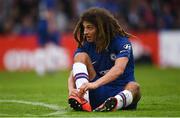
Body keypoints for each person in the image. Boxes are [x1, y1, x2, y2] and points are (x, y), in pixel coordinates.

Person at [68, 7, 141, 112]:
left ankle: (115, 102)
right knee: (80, 56)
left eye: (90, 28)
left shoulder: (122, 42)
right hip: (96, 92)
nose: (85, 32)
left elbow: (119, 69)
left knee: (135, 87)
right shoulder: (86, 45)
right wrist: (71, 90)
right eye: (84, 28)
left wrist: (95, 84)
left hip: (120, 90)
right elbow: (73, 72)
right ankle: (83, 98)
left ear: (101, 28)